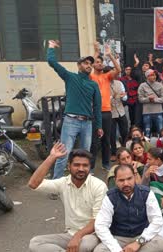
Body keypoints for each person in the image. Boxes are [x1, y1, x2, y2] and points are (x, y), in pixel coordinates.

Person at [28, 143, 107, 251]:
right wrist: (52, 157)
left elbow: (97, 221)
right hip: (70, 234)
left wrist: (78, 236)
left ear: (90, 167)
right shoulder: (63, 183)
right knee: (35, 243)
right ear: (69, 166)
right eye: (76, 165)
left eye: (85, 165)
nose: (81, 169)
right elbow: (33, 184)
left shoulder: (99, 186)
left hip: (92, 235)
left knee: (84, 245)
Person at [46, 40, 102, 180]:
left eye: (90, 64)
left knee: (85, 156)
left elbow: (97, 106)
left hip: (87, 124)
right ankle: (56, 185)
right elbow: (52, 62)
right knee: (63, 154)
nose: (88, 66)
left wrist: (99, 126)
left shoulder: (93, 84)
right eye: (85, 63)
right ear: (79, 65)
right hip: (71, 121)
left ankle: (83, 183)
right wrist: (51, 47)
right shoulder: (70, 77)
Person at [94, 165, 163, 252]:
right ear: (115, 181)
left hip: (141, 236)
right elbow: (101, 225)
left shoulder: (146, 193)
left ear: (135, 177)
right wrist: (117, 249)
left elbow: (157, 221)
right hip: (118, 238)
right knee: (99, 250)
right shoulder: (110, 197)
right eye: (121, 180)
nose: (126, 183)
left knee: (160, 242)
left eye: (129, 179)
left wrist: (138, 242)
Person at [90, 42, 122, 172]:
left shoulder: (107, 76)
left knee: (106, 139)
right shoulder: (90, 76)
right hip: (94, 112)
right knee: (94, 141)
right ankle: (91, 167)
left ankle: (105, 163)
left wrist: (110, 55)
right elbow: (89, 65)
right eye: (97, 62)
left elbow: (118, 70)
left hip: (107, 112)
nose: (99, 63)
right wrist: (96, 51)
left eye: (101, 62)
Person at [107, 67, 129, 163]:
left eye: (113, 73)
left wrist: (124, 96)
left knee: (125, 130)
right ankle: (113, 153)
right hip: (110, 112)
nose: (113, 75)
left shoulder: (119, 83)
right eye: (110, 73)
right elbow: (102, 99)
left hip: (120, 110)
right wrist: (113, 96)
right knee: (111, 134)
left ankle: (124, 149)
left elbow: (124, 97)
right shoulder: (102, 84)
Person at [138, 69, 163, 137]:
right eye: (151, 75)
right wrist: (148, 99)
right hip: (147, 112)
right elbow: (140, 99)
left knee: (161, 130)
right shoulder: (142, 86)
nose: (154, 77)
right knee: (147, 131)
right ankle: (147, 145)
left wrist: (155, 100)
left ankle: (162, 144)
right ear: (147, 76)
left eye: (154, 75)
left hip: (158, 111)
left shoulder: (160, 85)